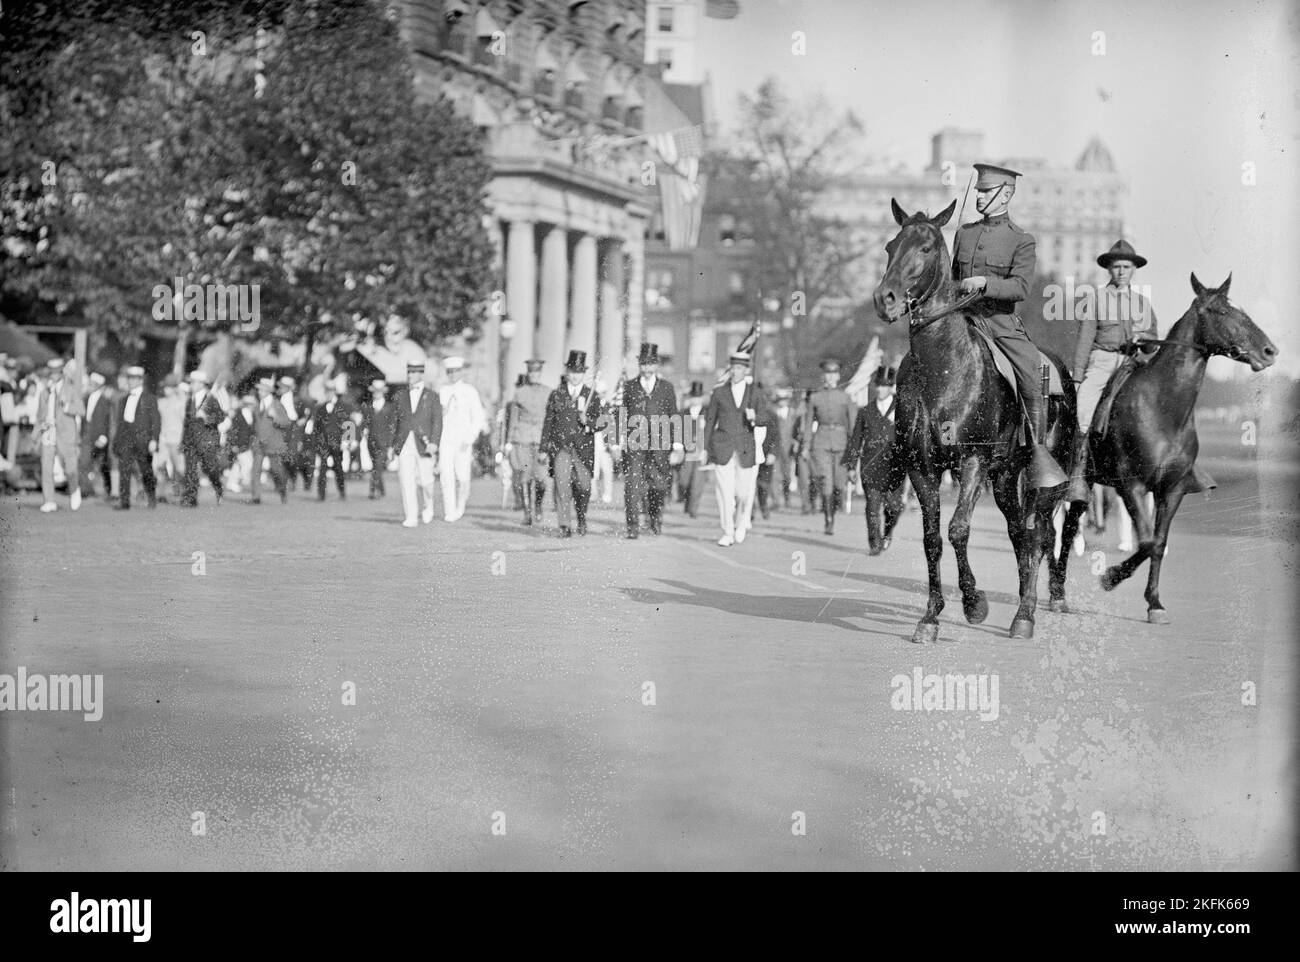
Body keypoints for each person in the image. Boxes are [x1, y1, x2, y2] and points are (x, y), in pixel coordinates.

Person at [950, 161, 1065, 488]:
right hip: (962, 318)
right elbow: (951, 278)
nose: (979, 196)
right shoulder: (964, 233)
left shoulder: (1021, 240)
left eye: (986, 191)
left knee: (1031, 369)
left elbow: (1021, 287)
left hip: (999, 323)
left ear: (1005, 195)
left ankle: (1038, 450)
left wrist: (985, 282)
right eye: (978, 190)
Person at [1064, 239, 1160, 503]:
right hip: (1102, 361)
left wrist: (1146, 344)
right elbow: (1084, 341)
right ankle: (1079, 473)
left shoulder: (1142, 303)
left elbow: (1153, 342)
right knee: (1084, 408)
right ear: (1109, 269)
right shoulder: (1095, 299)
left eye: (1126, 267)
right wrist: (1077, 377)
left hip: (1134, 363)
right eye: (1116, 267)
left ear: (1133, 270)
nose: (1121, 272)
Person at [700, 351, 766, 547]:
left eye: (740, 368)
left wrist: (754, 417)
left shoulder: (755, 392)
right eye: (733, 368)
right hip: (723, 447)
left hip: (745, 448)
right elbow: (710, 421)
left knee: (743, 493)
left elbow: (764, 419)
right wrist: (705, 448)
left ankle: (741, 523)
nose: (736, 372)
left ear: (746, 370)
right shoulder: (719, 392)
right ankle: (727, 531)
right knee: (724, 493)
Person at [539, 350, 602, 538]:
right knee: (562, 485)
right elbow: (548, 422)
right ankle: (564, 525)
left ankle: (581, 516)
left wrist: (588, 421)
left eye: (579, 372)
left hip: (583, 449)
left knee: (583, 486)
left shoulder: (592, 395)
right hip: (561, 448)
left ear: (584, 374)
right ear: (567, 372)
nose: (575, 376)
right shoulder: (556, 394)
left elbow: (603, 422)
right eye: (572, 371)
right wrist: (543, 448)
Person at [620, 343, 678, 538]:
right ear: (639, 365)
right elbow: (620, 415)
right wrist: (614, 442)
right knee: (633, 485)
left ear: (656, 365)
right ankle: (633, 526)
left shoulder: (667, 388)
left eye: (650, 364)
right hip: (634, 445)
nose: (646, 368)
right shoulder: (629, 387)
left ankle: (654, 516)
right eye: (643, 364)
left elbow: (674, 415)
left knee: (659, 486)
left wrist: (678, 445)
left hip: (660, 446)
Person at [844, 367, 903, 555]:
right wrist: (851, 467)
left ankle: (888, 532)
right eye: (877, 385)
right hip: (870, 466)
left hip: (895, 466)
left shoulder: (902, 408)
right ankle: (875, 543)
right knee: (872, 507)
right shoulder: (865, 411)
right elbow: (855, 439)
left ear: (891, 387)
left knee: (894, 507)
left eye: (884, 386)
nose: (880, 389)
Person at [390, 360, 442, 528]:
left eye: (413, 372)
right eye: (409, 372)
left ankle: (428, 505)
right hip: (404, 443)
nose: (410, 375)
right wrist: (392, 445)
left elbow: (437, 422)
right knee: (406, 480)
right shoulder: (400, 396)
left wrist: (434, 442)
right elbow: (394, 421)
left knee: (426, 481)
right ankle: (411, 516)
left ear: (421, 374)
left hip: (424, 443)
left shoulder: (432, 395)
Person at [809, 358, 857, 535]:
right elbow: (808, 424)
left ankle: (833, 514)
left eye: (833, 374)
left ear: (838, 376)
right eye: (827, 374)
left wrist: (854, 449)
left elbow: (852, 427)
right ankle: (828, 520)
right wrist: (806, 446)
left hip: (841, 443)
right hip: (820, 442)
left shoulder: (845, 398)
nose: (830, 378)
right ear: (824, 376)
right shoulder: (815, 397)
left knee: (839, 484)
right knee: (826, 482)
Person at [437, 356, 487, 522]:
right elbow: (438, 416)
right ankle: (449, 510)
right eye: (449, 372)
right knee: (446, 474)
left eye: (455, 371)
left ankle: (460, 505)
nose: (452, 375)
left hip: (463, 440)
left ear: (461, 372)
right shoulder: (442, 391)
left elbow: (478, 417)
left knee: (463, 476)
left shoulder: (470, 391)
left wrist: (470, 437)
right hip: (446, 438)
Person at [504, 359, 550, 526]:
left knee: (541, 478)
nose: (534, 375)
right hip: (521, 440)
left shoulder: (548, 392)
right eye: (531, 373)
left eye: (537, 373)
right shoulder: (520, 393)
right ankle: (527, 513)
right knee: (524, 476)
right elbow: (513, 419)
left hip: (540, 440)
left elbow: (551, 419)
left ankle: (537, 506)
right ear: (528, 374)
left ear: (540, 374)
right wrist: (509, 441)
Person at [36, 358, 85, 513]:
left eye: (57, 372)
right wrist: (39, 427)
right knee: (46, 466)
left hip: (65, 434)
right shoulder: (45, 390)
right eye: (52, 372)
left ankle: (74, 488)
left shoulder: (69, 389)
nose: (54, 375)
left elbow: (81, 410)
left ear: (61, 372)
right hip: (49, 431)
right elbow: (40, 413)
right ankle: (49, 500)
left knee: (70, 467)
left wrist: (67, 406)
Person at [111, 366, 159, 510]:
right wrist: (117, 441)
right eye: (129, 378)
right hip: (126, 438)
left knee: (146, 470)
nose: (131, 381)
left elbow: (155, 420)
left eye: (134, 379)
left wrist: (154, 439)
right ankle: (124, 501)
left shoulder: (149, 398)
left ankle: (151, 496)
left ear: (140, 380)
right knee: (124, 469)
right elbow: (120, 422)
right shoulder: (123, 399)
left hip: (142, 439)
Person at [181, 370, 225, 507]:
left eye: (194, 382)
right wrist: (183, 441)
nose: (192, 385)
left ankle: (218, 487)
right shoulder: (190, 399)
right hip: (191, 440)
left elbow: (221, 417)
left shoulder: (211, 399)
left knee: (210, 469)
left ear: (201, 384)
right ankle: (191, 498)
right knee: (190, 470)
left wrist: (206, 418)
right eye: (191, 382)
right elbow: (187, 423)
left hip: (207, 441)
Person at [311, 376, 355, 501]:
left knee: (338, 468)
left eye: (331, 391)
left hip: (337, 443)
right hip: (323, 443)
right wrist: (316, 443)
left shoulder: (343, 407)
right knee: (322, 469)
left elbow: (349, 424)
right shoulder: (320, 408)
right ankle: (321, 494)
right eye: (327, 392)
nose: (329, 394)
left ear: (334, 392)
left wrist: (347, 441)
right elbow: (316, 427)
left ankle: (342, 491)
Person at [250, 377, 290, 505]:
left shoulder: (277, 405)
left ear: (268, 391)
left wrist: (275, 417)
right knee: (255, 470)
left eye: (261, 390)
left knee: (276, 470)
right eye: (259, 390)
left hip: (273, 443)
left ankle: (282, 489)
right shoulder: (257, 406)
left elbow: (286, 422)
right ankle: (256, 497)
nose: (259, 392)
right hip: (258, 443)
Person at [79, 371, 113, 502]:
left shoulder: (105, 400)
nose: (91, 385)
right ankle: (85, 489)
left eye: (93, 384)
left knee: (104, 464)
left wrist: (104, 436)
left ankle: (110, 489)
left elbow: (107, 419)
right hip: (87, 434)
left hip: (99, 435)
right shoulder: (87, 398)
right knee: (84, 462)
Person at [677, 381, 709, 518]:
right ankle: (686, 500)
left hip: (702, 452)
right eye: (693, 397)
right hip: (686, 452)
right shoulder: (683, 413)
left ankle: (693, 508)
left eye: (698, 397)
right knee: (684, 481)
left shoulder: (708, 413)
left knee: (698, 482)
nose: (696, 400)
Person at [360, 378, 395, 500]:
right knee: (376, 466)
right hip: (371, 441)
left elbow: (392, 427)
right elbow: (364, 423)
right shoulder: (368, 407)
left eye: (379, 391)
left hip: (384, 442)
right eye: (375, 391)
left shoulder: (390, 407)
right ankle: (382, 490)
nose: (377, 393)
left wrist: (391, 445)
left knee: (377, 466)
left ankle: (373, 490)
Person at [226, 392, 257, 494]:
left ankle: (231, 483)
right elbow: (233, 431)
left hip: (246, 444)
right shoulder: (238, 415)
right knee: (247, 464)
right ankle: (239, 481)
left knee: (238, 464)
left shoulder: (251, 414)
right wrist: (233, 444)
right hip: (239, 444)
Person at [770, 387, 796, 510]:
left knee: (787, 475)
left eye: (784, 399)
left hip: (788, 449)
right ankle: (776, 501)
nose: (782, 402)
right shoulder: (772, 412)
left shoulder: (792, 413)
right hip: (775, 449)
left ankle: (787, 498)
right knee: (775, 475)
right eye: (780, 399)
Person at [793, 389, 816, 514]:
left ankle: (813, 503)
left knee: (815, 479)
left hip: (816, 450)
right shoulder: (801, 417)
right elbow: (794, 434)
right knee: (803, 479)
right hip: (802, 450)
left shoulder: (819, 416)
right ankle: (805, 505)